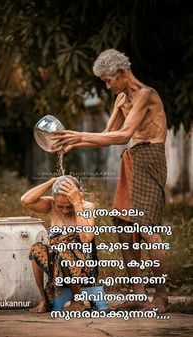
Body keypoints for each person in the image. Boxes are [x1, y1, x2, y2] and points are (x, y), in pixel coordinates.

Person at [52, 49, 168, 313]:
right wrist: (75, 143)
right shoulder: (120, 99)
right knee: (125, 228)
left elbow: (124, 135)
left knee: (147, 228)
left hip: (150, 157)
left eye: (108, 80)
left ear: (121, 72)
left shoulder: (146, 95)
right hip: (130, 159)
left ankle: (161, 297)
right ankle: (138, 295)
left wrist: (77, 134)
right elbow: (107, 135)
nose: (107, 86)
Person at [21, 175, 98, 313]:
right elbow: (26, 200)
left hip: (82, 267)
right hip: (56, 265)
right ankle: (44, 299)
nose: (64, 211)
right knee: (36, 249)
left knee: (65, 251)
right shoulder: (51, 206)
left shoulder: (87, 207)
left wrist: (77, 204)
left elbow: (86, 238)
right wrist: (51, 182)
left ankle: (77, 300)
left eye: (68, 206)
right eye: (60, 206)